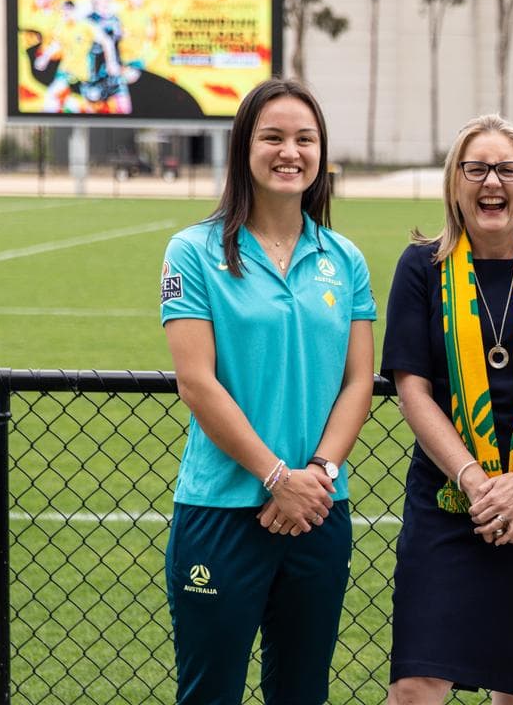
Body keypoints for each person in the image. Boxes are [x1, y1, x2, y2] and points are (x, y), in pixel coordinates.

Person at [160, 78, 376, 705]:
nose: (291, 152)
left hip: (319, 511)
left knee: (303, 691)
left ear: (321, 152)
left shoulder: (345, 257)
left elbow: (358, 381)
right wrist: (277, 475)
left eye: (305, 139)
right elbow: (196, 383)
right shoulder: (193, 251)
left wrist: (318, 474)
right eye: (273, 137)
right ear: (243, 147)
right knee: (210, 694)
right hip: (222, 513)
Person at [382, 114, 513, 704]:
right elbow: (412, 390)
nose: (492, 183)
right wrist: (479, 484)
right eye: (475, 169)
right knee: (417, 683)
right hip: (448, 498)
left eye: (508, 169)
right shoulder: (421, 267)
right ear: (456, 183)